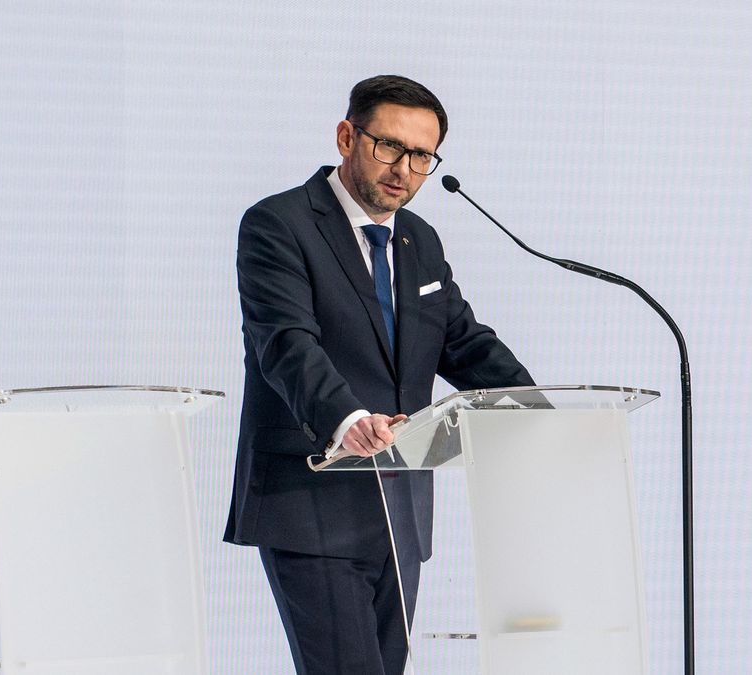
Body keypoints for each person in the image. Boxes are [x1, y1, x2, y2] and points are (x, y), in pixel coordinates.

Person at [224, 74, 534, 674]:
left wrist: (541, 410)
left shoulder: (419, 239)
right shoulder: (279, 224)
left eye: (421, 155)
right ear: (346, 136)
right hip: (312, 498)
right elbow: (286, 344)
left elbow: (462, 341)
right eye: (388, 146)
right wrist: (348, 419)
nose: (404, 169)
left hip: (400, 507)